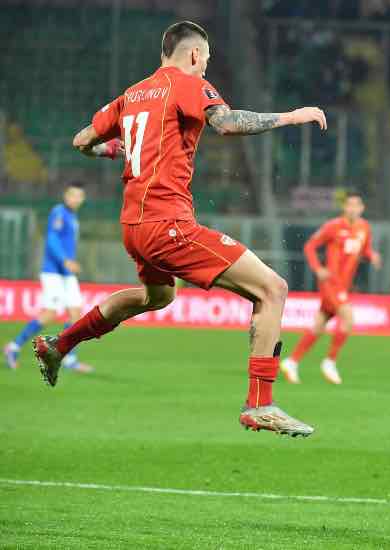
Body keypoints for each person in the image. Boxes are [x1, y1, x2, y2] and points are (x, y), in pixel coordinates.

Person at [32, 21, 327, 437]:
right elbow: (226, 123)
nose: (206, 67)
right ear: (193, 55)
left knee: (158, 295)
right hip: (167, 223)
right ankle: (260, 404)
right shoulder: (188, 84)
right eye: (206, 59)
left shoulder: (133, 94)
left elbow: (82, 140)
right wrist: (291, 117)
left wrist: (114, 149)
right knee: (272, 289)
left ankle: (59, 345)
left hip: (134, 226)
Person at [4, 182, 117, 373]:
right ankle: (13, 347)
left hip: (67, 273)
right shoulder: (59, 213)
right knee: (49, 315)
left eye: (80, 196)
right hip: (53, 272)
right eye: (73, 195)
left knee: (76, 315)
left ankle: (69, 358)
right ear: (66, 196)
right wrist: (65, 260)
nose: (76, 199)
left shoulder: (72, 217)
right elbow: (52, 239)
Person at [280, 193, 381, 384]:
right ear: (345, 208)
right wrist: (318, 269)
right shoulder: (333, 226)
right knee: (348, 318)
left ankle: (292, 361)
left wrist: (372, 255)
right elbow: (310, 246)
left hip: (343, 285)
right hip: (330, 283)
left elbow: (364, 249)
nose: (352, 208)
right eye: (349, 205)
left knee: (319, 325)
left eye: (356, 205)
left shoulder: (364, 227)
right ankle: (330, 361)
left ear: (362, 208)